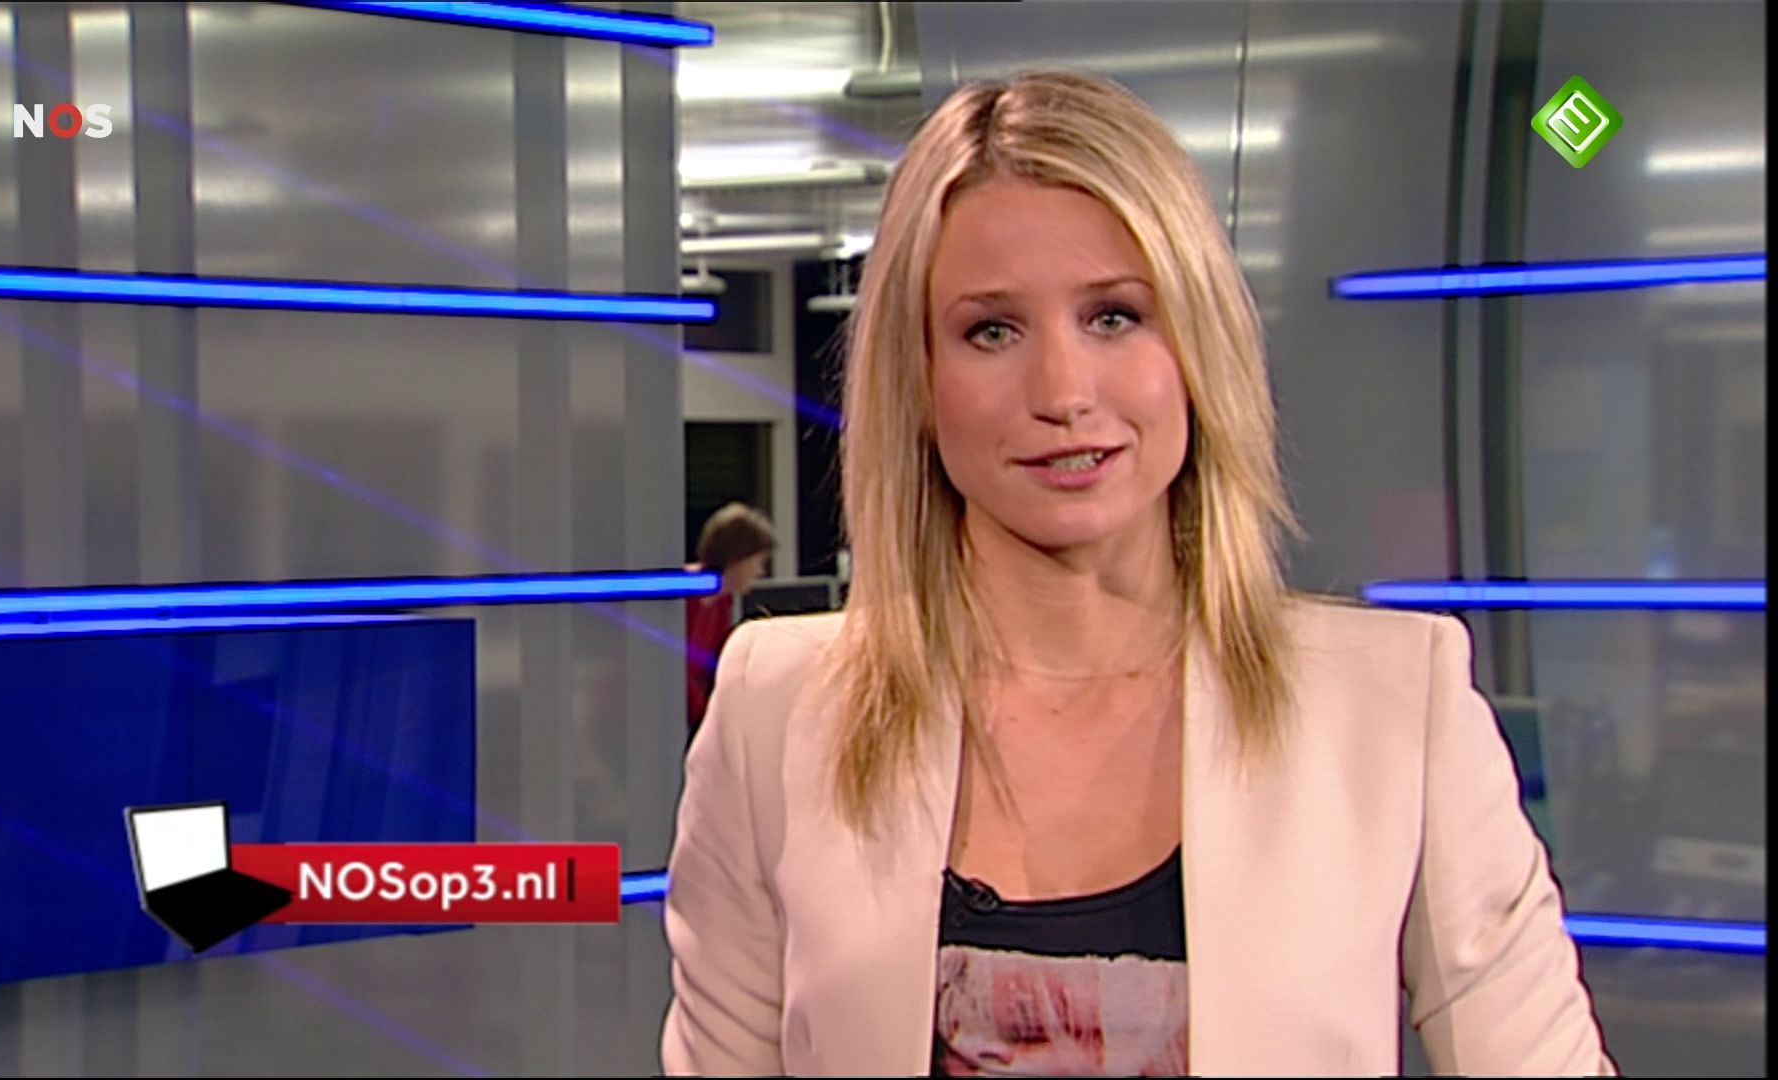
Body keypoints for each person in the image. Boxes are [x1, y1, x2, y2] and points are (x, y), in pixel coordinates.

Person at [660, 71, 1616, 1077]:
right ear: (919, 380)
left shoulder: (1391, 704)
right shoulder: (777, 709)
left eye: (1114, 316)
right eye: (992, 331)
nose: (1063, 391)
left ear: (1197, 344)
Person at [683, 502, 777, 745]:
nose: (760, 572)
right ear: (738, 557)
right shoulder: (685, 590)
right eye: (758, 561)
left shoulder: (722, 601)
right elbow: (675, 672)